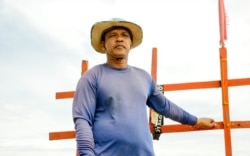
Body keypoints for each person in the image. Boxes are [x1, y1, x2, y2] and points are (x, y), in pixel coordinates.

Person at [72, 18, 216, 156]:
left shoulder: (144, 78)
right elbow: (83, 119)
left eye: (125, 35)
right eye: (112, 35)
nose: (119, 39)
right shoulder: (92, 77)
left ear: (130, 43)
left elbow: (165, 106)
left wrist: (196, 121)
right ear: (103, 44)